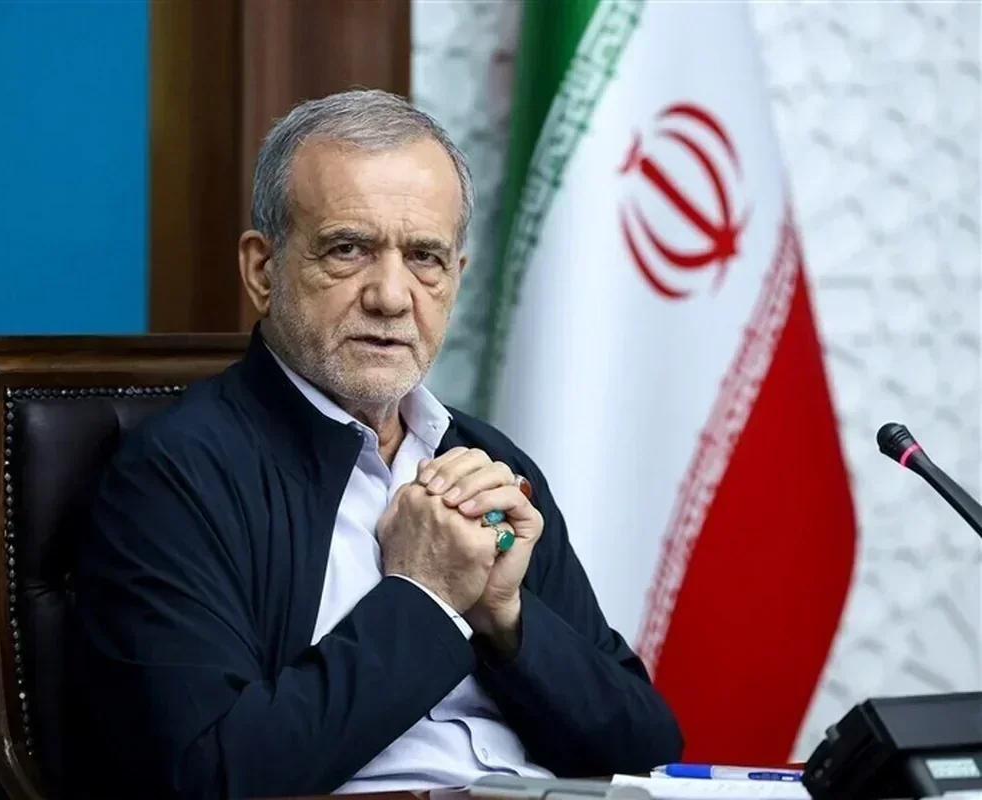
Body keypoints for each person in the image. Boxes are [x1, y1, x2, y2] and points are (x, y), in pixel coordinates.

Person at [69, 89, 683, 799]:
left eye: (424, 257)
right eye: (348, 250)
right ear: (263, 271)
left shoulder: (491, 464)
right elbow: (214, 775)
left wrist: (506, 618)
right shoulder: (176, 475)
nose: (391, 297)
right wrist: (425, 596)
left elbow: (646, 748)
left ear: (456, 279)